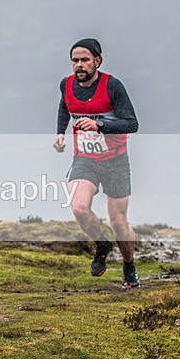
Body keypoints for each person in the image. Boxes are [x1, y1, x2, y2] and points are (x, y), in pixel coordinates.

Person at [53, 38, 140, 290]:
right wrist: (60, 133)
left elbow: (132, 124)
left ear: (97, 61)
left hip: (115, 161)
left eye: (84, 60)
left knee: (119, 222)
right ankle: (102, 244)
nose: (79, 65)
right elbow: (64, 107)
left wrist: (99, 125)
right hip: (85, 160)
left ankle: (129, 266)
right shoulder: (66, 85)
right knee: (79, 208)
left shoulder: (113, 86)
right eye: (74, 61)